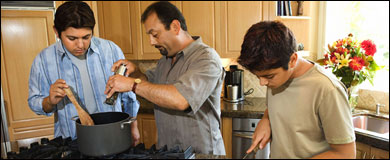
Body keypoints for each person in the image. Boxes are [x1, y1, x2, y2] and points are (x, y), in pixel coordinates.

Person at [104, 1, 226, 155]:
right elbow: (151, 86)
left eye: (155, 35)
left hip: (201, 154)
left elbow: (180, 99)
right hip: (168, 152)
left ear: (175, 27)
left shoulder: (206, 58)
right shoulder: (165, 60)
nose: (151, 42)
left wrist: (132, 85)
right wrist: (135, 73)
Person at [238, 21, 356, 158]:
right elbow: (280, 107)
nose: (262, 83)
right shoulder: (275, 79)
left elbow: (346, 154)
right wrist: (266, 120)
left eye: (268, 76)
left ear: (292, 60)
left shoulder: (327, 89)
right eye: (258, 76)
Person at [28, 1, 140, 145]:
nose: (80, 45)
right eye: (72, 38)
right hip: (71, 142)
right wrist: (49, 101)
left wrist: (133, 125)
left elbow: (128, 95)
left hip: (113, 136)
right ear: (56, 32)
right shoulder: (43, 60)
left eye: (86, 37)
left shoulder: (112, 50)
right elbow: (34, 102)